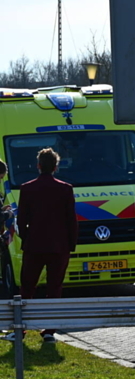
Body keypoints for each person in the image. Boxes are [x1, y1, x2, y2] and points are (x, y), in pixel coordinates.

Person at [13, 147, 77, 343]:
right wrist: (70, 245)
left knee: (27, 287)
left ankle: (21, 328)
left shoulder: (27, 188)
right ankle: (49, 330)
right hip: (59, 247)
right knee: (54, 287)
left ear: (38, 166)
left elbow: (22, 220)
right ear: (56, 167)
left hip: (34, 246)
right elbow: (71, 220)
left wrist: (27, 238)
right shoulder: (66, 189)